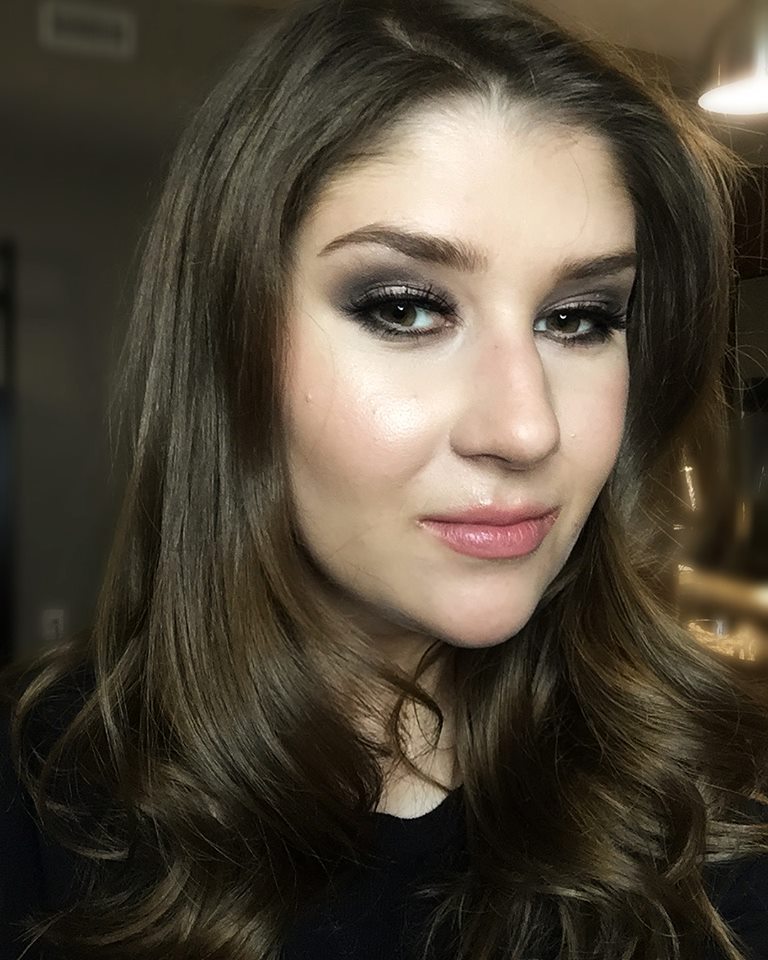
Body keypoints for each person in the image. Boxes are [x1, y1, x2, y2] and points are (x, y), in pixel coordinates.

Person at [2, 0, 768, 957]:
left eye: (578, 319)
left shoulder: (714, 805)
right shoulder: (35, 805)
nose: (525, 428)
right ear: (229, 352)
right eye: (405, 309)